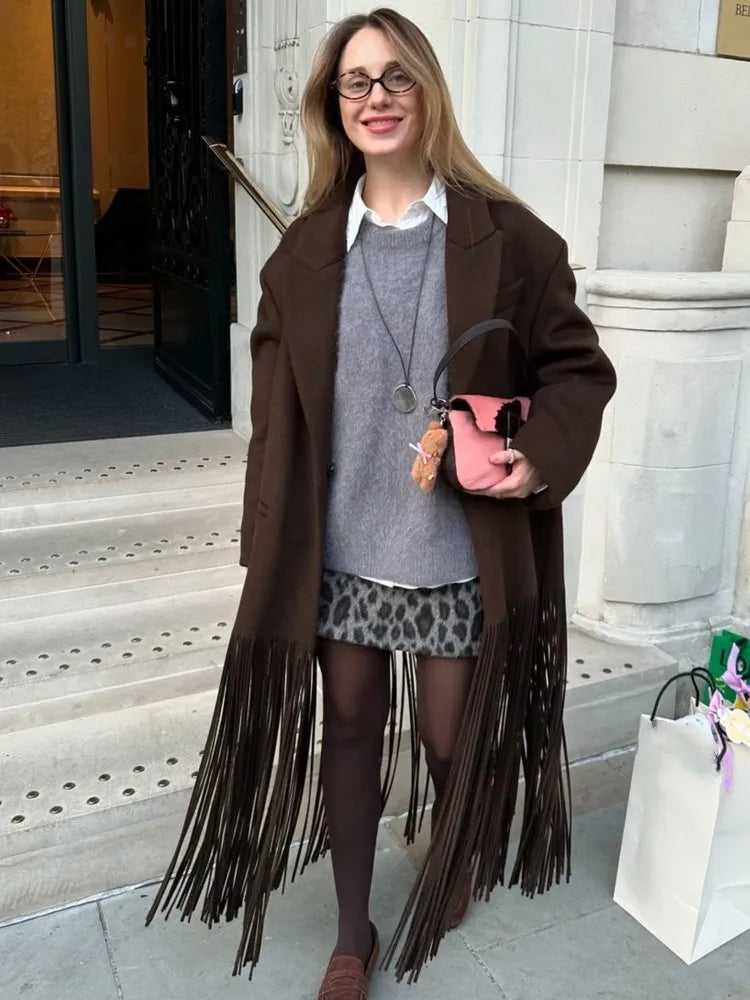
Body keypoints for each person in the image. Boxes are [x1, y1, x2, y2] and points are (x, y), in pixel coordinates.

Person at [144, 9, 617, 998]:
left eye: (395, 77)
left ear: (428, 91)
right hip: (345, 547)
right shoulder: (305, 256)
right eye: (355, 83)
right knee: (350, 726)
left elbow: (577, 369)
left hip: (455, 546)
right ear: (333, 109)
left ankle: (459, 844)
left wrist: (532, 458)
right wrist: (264, 545)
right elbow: (273, 420)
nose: (376, 98)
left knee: (454, 734)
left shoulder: (512, 240)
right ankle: (353, 930)